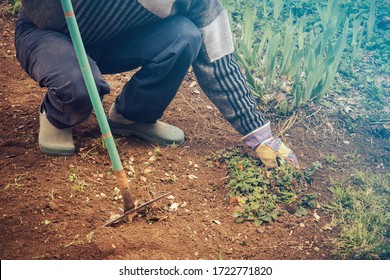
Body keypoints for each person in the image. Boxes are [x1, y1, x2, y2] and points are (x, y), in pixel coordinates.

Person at [15, 0, 299, 169]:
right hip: (47, 34)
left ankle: (131, 115)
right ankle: (58, 115)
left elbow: (218, 59)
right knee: (80, 84)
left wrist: (258, 135)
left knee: (186, 35)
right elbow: (41, 12)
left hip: (112, 42)